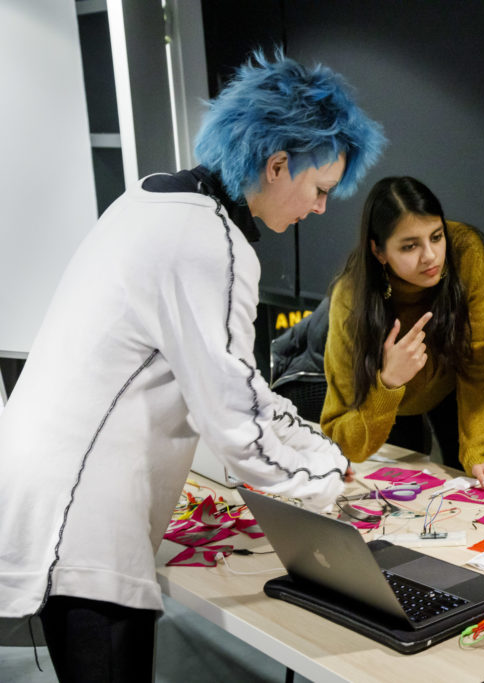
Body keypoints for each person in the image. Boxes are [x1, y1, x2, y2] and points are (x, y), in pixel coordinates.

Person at [0, 50, 385, 681]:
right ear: (278, 161)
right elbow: (233, 416)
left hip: (46, 494)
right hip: (85, 521)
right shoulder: (211, 243)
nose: (319, 209)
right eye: (319, 189)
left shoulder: (152, 199)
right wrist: (328, 484)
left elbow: (234, 385)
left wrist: (318, 451)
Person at [321, 176, 484, 489]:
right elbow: (345, 440)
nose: (430, 256)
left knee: (475, 485)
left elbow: (479, 361)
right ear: (379, 251)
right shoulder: (350, 297)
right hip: (384, 400)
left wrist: (479, 452)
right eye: (410, 246)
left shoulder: (464, 251)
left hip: (453, 389)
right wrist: (388, 382)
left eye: (437, 236)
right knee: (401, 496)